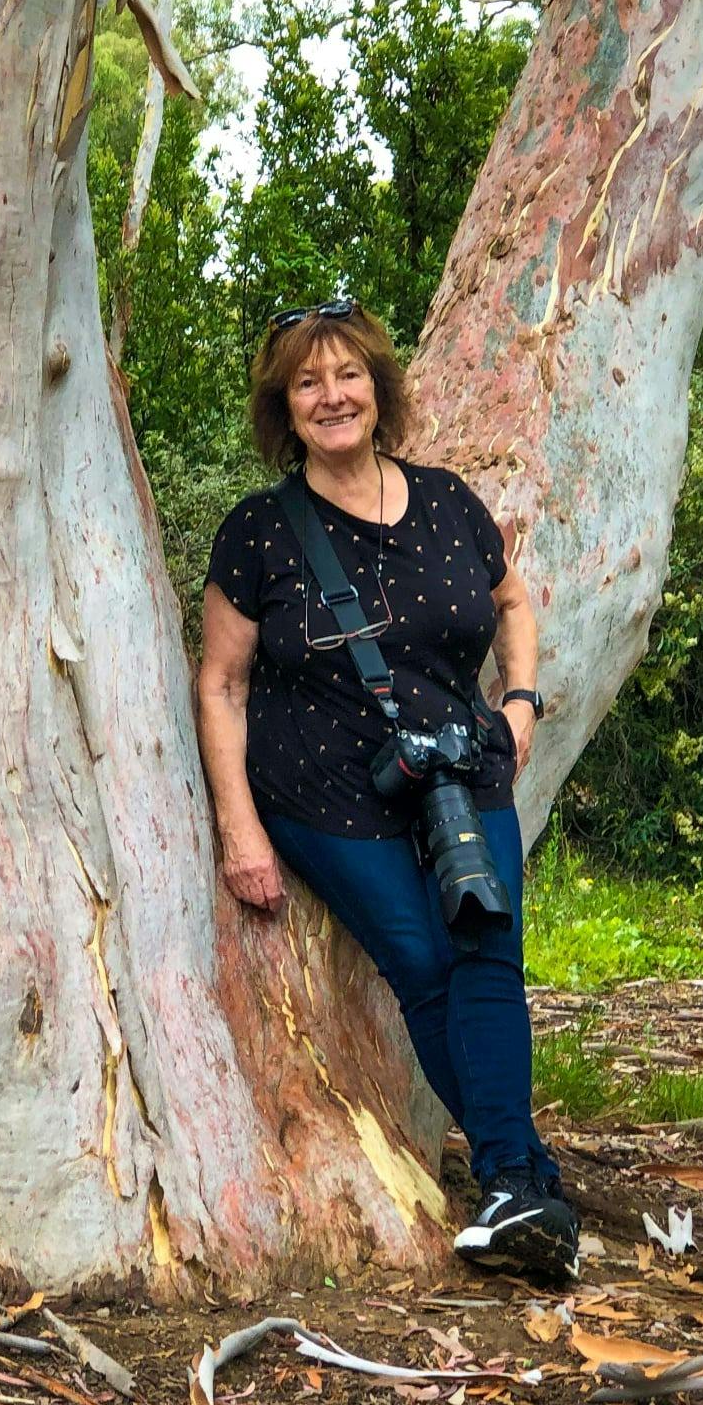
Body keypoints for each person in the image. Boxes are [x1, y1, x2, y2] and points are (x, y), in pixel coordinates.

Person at [196, 298, 579, 1280]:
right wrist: (241, 830)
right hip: (325, 788)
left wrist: (524, 700)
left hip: (458, 767)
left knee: (488, 949)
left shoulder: (447, 501)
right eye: (308, 383)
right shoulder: (261, 532)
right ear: (286, 408)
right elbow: (222, 682)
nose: (332, 396)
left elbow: (510, 600)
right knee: (423, 962)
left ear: (378, 387)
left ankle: (511, 1186)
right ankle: (524, 1180)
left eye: (348, 376)